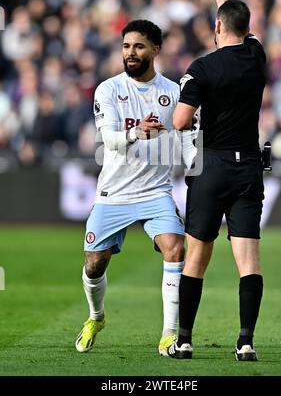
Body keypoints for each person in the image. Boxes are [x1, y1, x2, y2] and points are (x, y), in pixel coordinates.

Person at [75, 19, 196, 355]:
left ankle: (169, 335)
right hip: (114, 193)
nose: (130, 53)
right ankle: (96, 316)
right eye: (126, 46)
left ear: (156, 50)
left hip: (156, 192)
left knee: (176, 248)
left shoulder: (173, 94)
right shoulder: (108, 89)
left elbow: (187, 143)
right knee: (93, 264)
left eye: (138, 46)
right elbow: (109, 140)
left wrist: (197, 171)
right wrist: (136, 132)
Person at [167, 0, 266, 361]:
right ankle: (245, 342)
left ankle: (185, 339)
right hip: (249, 168)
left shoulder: (202, 68)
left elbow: (179, 121)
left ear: (218, 28)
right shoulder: (256, 56)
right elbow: (237, 21)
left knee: (197, 256)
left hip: (210, 166)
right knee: (249, 260)